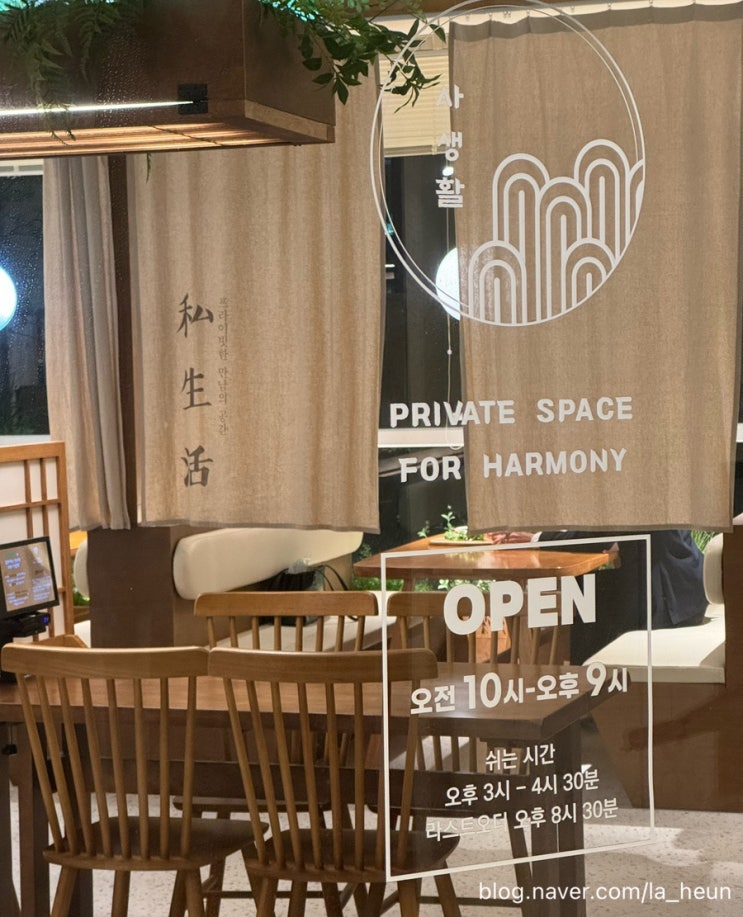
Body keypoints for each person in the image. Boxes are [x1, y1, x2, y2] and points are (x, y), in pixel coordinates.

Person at [486, 529, 708, 663]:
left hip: (670, 599)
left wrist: (536, 538)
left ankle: (586, 696)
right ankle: (583, 693)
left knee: (588, 598)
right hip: (685, 589)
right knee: (588, 593)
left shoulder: (635, 486)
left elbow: (598, 537)